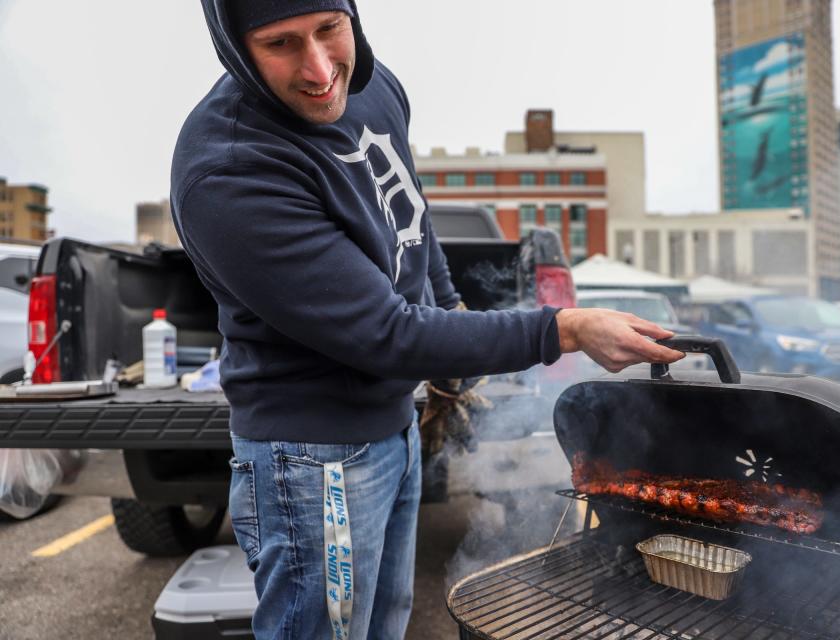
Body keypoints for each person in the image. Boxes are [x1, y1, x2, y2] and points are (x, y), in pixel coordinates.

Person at [171, 1, 684, 638]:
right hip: (311, 458)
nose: (320, 68)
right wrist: (565, 329)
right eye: (281, 44)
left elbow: (410, 218)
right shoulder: (230, 169)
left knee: (386, 626)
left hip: (396, 429)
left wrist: (452, 309)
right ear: (235, 48)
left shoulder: (373, 86)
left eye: (330, 30)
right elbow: (387, 333)